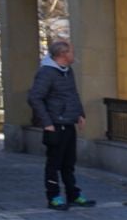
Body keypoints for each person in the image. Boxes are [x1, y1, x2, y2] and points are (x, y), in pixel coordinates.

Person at [28, 38, 92, 210]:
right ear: (63, 54)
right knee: (54, 163)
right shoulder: (47, 73)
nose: (74, 54)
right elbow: (35, 97)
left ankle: (73, 194)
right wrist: (47, 123)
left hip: (69, 123)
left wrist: (80, 114)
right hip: (55, 125)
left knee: (69, 163)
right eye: (71, 51)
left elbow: (72, 94)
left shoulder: (67, 71)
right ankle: (54, 196)